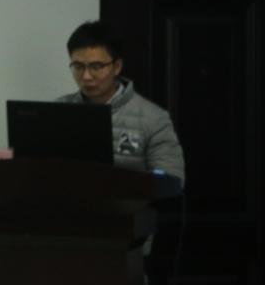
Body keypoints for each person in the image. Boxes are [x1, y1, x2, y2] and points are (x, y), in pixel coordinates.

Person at [57, 20, 185, 183]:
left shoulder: (154, 119)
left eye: (96, 67)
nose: (86, 76)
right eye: (78, 67)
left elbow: (171, 181)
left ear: (117, 66)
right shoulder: (58, 110)